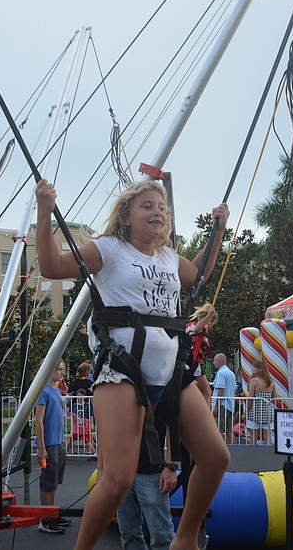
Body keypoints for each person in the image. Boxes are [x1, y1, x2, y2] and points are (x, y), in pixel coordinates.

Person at [35, 178, 230, 550]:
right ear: (126, 216)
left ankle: (185, 539)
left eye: (162, 208)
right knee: (118, 480)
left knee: (215, 456)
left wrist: (217, 231)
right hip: (123, 371)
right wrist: (45, 212)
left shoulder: (169, 257)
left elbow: (199, 274)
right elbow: (52, 266)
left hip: (170, 372)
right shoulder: (108, 249)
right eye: (148, 206)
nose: (158, 212)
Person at [117, 420, 176, 550]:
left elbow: (172, 424)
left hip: (151, 471)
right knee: (128, 533)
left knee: (162, 536)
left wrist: (171, 466)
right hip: (122, 471)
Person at [36, 360, 70, 534]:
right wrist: (42, 447)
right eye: (59, 369)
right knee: (48, 482)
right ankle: (46, 519)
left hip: (58, 442)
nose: (62, 372)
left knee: (54, 481)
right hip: (49, 444)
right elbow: (39, 420)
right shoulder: (44, 391)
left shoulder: (56, 390)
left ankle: (53, 514)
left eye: (63, 369)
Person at [185, 303, 217, 406]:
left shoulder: (201, 329)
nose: (210, 323)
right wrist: (208, 316)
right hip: (191, 360)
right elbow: (196, 329)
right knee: (206, 391)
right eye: (210, 320)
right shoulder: (193, 325)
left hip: (195, 361)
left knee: (203, 391)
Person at [246, 360, 275, 446]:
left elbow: (250, 398)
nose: (252, 369)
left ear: (260, 369)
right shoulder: (271, 382)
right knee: (266, 435)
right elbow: (275, 396)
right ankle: (268, 450)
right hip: (267, 411)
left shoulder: (254, 381)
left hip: (256, 411)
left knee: (254, 435)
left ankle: (252, 451)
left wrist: (246, 411)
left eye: (254, 367)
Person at [212, 353, 237, 444]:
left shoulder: (221, 373)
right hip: (230, 405)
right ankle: (234, 447)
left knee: (219, 428)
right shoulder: (231, 373)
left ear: (221, 361)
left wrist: (216, 406)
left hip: (222, 405)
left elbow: (221, 390)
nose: (213, 362)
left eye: (215, 360)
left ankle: (220, 447)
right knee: (229, 430)